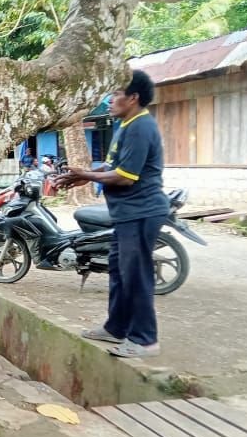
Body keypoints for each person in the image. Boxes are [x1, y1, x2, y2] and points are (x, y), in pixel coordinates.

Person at [54, 70, 170, 358]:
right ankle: (116, 327)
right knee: (119, 270)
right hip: (127, 213)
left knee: (136, 275)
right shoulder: (126, 126)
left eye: (116, 94)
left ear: (133, 98)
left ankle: (145, 340)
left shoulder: (141, 127)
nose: (109, 100)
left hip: (141, 212)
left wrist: (87, 175)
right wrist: (82, 175)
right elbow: (111, 167)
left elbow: (125, 176)